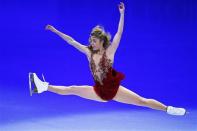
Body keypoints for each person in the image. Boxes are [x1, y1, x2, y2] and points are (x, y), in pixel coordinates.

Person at [29, 2, 186, 116]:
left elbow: (119, 33)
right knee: (72, 89)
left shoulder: (110, 51)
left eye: (94, 41)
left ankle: (168, 109)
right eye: (90, 40)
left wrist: (122, 14)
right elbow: (71, 41)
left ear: (101, 42)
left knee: (142, 101)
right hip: (99, 92)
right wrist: (55, 30)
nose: (91, 43)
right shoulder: (88, 52)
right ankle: (42, 86)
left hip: (115, 90)